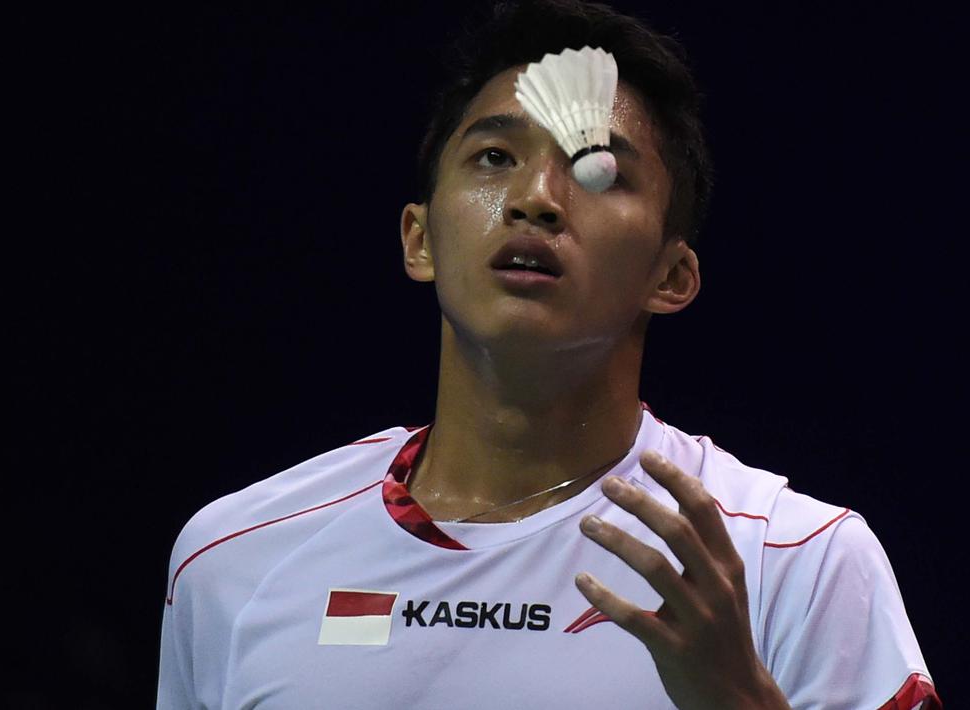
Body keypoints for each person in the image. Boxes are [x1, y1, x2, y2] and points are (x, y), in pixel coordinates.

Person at [157, 1, 941, 707]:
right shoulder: (237, 556)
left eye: (597, 169)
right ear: (419, 237)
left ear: (670, 276)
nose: (535, 197)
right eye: (495, 157)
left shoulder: (788, 560)